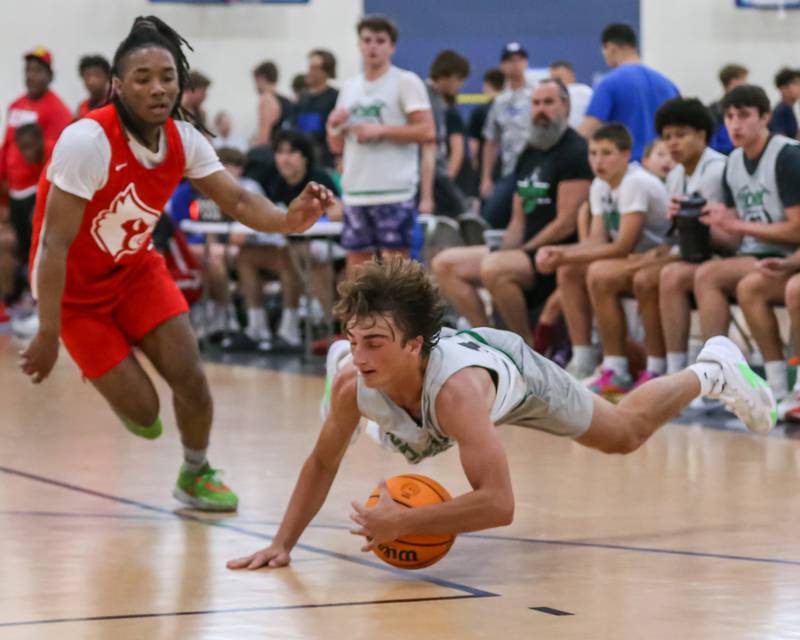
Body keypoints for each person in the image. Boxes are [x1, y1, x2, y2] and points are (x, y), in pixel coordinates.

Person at [227, 256, 775, 570]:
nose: (365, 354)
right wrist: (282, 544)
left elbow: (499, 504)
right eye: (356, 340)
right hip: (414, 402)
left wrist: (405, 523)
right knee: (359, 410)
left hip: (513, 375)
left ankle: (713, 369)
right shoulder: (356, 380)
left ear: (416, 343)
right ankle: (371, 396)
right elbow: (321, 464)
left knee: (624, 435)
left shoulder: (459, 394)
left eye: (376, 341)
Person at [19, 16, 334, 512]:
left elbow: (242, 203)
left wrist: (290, 220)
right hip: (75, 296)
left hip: (135, 272)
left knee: (191, 376)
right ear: (118, 87)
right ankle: (109, 367)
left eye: (167, 76)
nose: (158, 87)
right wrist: (47, 331)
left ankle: (195, 472)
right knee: (146, 417)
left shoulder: (183, 139)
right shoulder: (87, 141)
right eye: (142, 78)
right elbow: (53, 246)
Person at [432, 79, 591, 342]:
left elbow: (567, 223)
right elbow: (518, 217)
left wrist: (522, 251)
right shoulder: (530, 151)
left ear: (566, 106)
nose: (541, 110)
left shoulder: (575, 151)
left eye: (548, 102)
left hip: (557, 252)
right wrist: (508, 249)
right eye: (536, 103)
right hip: (527, 250)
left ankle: (524, 349)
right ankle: (488, 340)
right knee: (445, 264)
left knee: (495, 268)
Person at [536, 124, 670, 385]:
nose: (598, 160)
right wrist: (559, 252)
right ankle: (583, 359)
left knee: (597, 273)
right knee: (569, 271)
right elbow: (595, 241)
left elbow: (623, 246)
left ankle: (615, 367)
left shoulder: (636, 183)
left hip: (658, 257)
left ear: (626, 154)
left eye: (606, 153)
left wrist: (564, 256)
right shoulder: (600, 184)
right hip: (633, 260)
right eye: (593, 153)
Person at [694, 84, 800, 401]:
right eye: (728, 116)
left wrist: (735, 223)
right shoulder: (734, 162)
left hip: (787, 252)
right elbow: (733, 235)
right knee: (711, 276)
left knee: (735, 281)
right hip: (760, 255)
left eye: (743, 115)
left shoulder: (787, 157)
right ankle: (765, 382)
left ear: (765, 116)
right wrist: (699, 222)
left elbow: (796, 230)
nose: (735, 124)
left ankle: (787, 381)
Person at [326, 15, 434, 271]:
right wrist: (332, 126)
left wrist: (381, 130)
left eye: (380, 40)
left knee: (397, 272)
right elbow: (336, 147)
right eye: (367, 40)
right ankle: (363, 314)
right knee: (357, 271)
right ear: (359, 45)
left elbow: (427, 131)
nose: (372, 46)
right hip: (356, 192)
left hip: (394, 190)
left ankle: (396, 314)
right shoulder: (349, 87)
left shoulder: (405, 81)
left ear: (391, 47)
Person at [237, 130, 342, 350]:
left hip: (327, 244)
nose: (284, 158)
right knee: (246, 256)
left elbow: (337, 212)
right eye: (280, 152)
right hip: (289, 245)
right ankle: (256, 327)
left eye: (291, 152)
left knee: (292, 254)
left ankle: (291, 329)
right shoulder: (274, 181)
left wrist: (310, 219)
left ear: (304, 157)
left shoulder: (319, 179)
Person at [657, 98, 727, 377]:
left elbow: (714, 232)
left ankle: (697, 371)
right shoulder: (674, 175)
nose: (673, 143)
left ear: (702, 134)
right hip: (692, 252)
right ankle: (667, 366)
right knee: (642, 277)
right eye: (667, 137)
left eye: (681, 135)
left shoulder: (716, 170)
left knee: (666, 276)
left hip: (722, 252)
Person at [0, 47, 72, 277]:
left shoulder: (58, 110)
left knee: (38, 245)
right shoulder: (15, 105)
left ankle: (39, 296)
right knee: (17, 246)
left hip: (37, 192)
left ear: (49, 76)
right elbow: (7, 146)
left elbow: (58, 157)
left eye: (38, 70)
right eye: (28, 70)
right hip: (13, 192)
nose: (31, 75)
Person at [577, 23, 679, 162]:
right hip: (664, 168)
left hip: (626, 168)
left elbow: (589, 129)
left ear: (610, 48)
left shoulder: (608, 84)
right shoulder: (668, 85)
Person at [480, 43, 533, 229]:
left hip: (536, 169)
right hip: (510, 171)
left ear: (526, 62)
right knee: (491, 217)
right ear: (502, 66)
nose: (515, 64)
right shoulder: (499, 101)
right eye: (510, 60)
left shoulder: (538, 94)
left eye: (519, 59)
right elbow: (491, 141)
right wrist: (486, 177)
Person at [423, 49, 471, 216]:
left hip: (436, 172)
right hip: (432, 173)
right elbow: (430, 140)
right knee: (461, 214)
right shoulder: (425, 96)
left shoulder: (437, 98)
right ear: (450, 75)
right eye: (460, 80)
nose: (460, 86)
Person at [293, 49, 339, 168]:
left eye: (314, 68)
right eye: (309, 67)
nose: (309, 72)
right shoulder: (302, 98)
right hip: (302, 161)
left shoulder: (335, 98)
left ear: (326, 72)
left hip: (325, 163)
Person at [467, 68, 504, 198]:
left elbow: (474, 144)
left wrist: (475, 162)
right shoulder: (511, 109)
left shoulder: (480, 111)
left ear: (487, 85)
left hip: (486, 167)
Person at [708, 64, 748, 155]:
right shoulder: (715, 111)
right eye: (744, 80)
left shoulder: (747, 109)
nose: (746, 84)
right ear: (733, 82)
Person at [253, 61, 293, 146]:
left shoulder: (266, 99)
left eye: (256, 81)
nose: (255, 86)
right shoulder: (287, 100)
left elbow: (264, 135)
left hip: (273, 149)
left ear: (262, 78)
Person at [549, 60, 593, 129]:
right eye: (552, 81)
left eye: (559, 80)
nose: (556, 83)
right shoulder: (548, 98)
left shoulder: (584, 91)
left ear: (572, 76)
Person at [768, 67, 800, 139]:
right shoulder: (781, 111)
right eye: (796, 84)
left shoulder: (790, 108)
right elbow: (781, 140)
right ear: (783, 88)